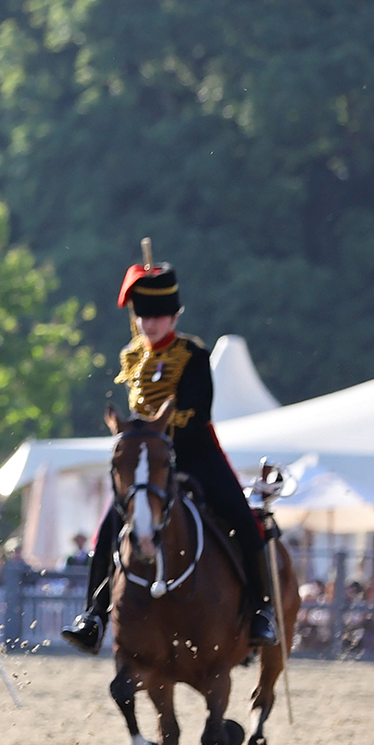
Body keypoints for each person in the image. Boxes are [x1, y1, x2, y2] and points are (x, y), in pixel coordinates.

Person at [60, 258, 279, 653]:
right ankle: (94, 614)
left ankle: (261, 611)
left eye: (159, 315)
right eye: (144, 315)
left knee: (243, 520)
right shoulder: (132, 357)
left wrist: (156, 429)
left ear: (174, 315)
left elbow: (198, 413)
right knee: (107, 530)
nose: (151, 323)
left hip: (194, 454)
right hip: (147, 462)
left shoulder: (192, 354)